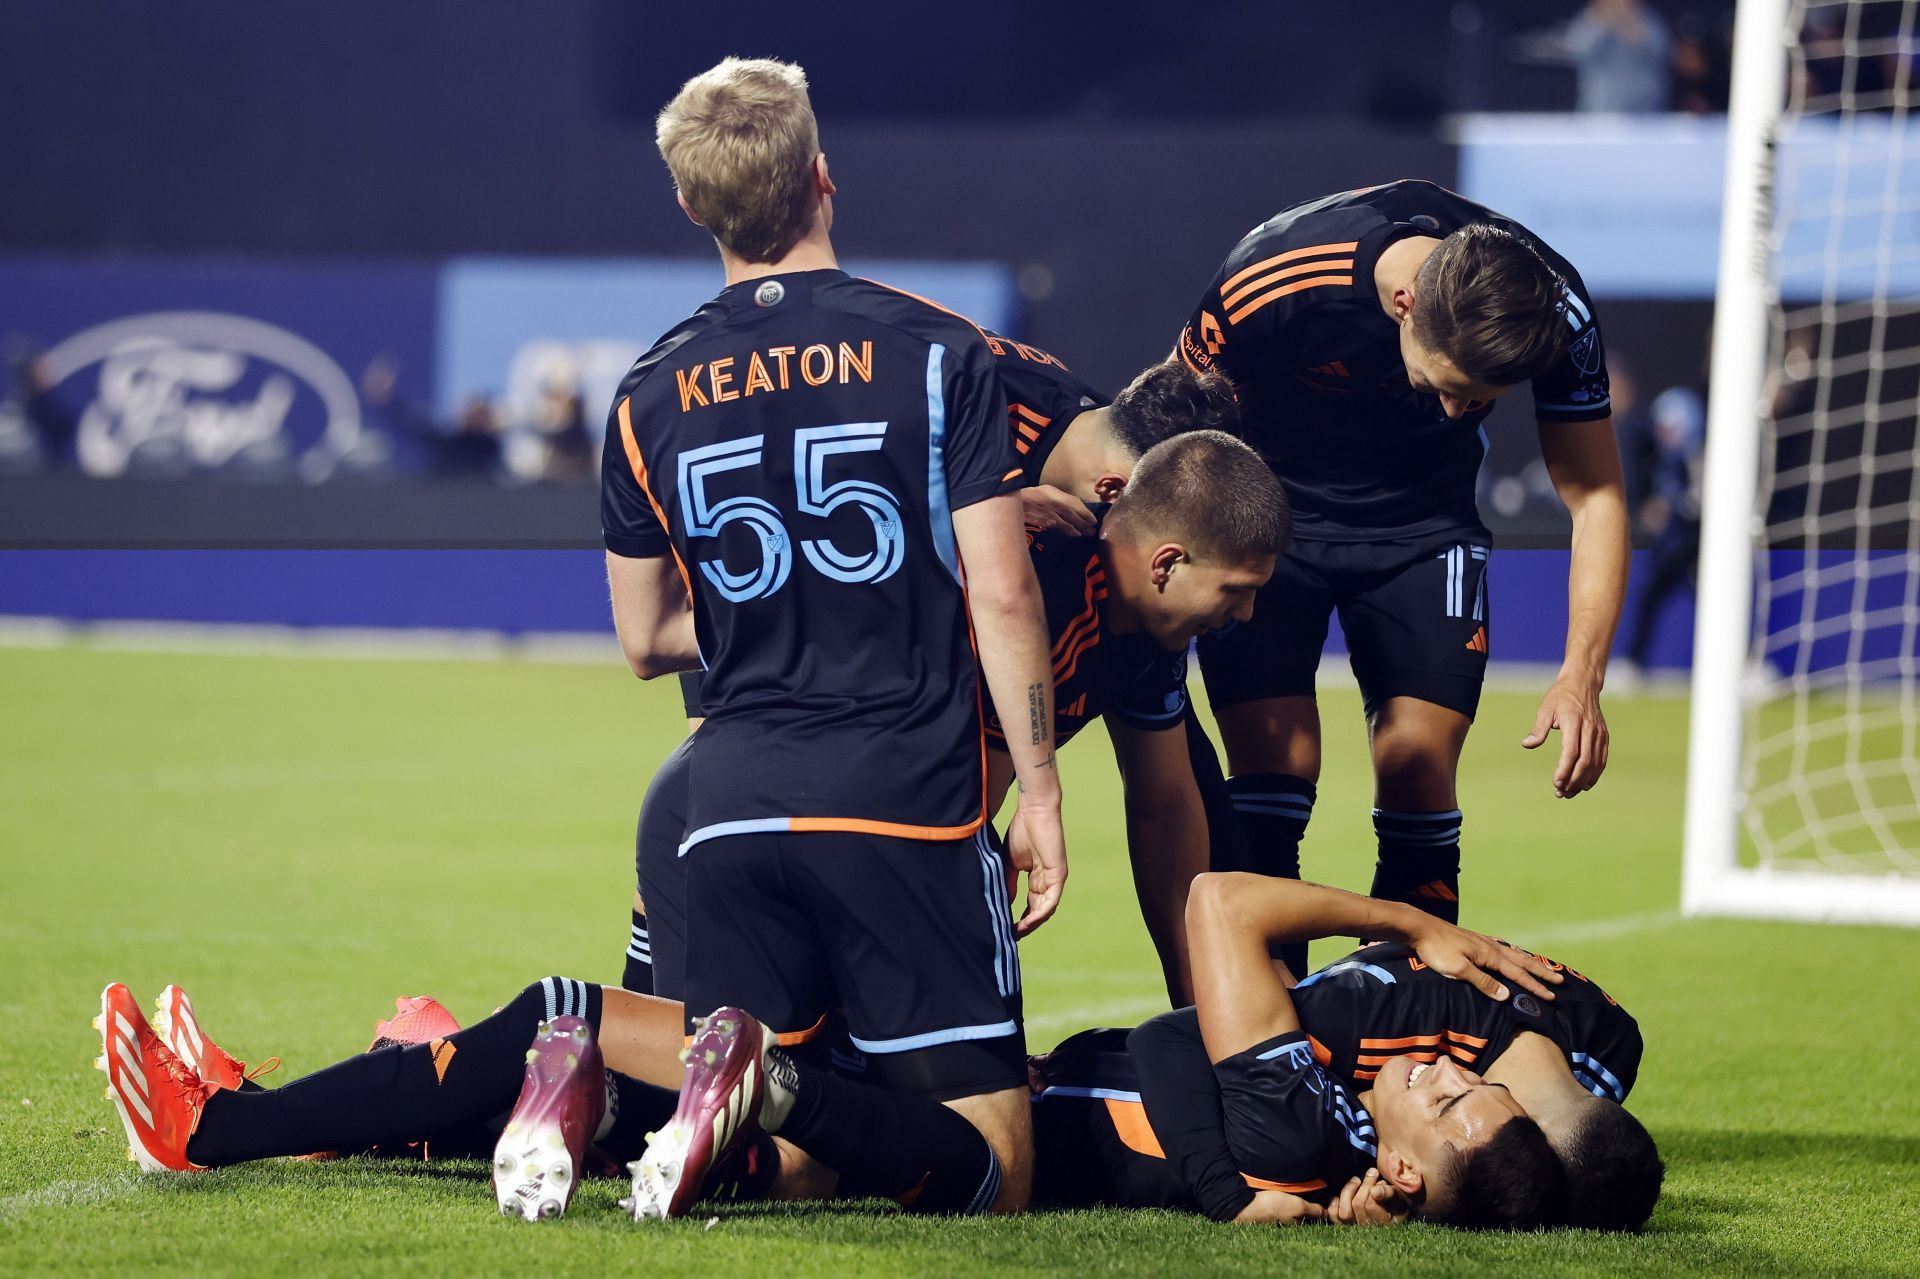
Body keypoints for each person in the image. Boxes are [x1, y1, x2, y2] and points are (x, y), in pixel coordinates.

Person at [601, 56, 1062, 1218]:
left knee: (796, 1171)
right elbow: (1003, 597)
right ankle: (770, 1084)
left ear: (691, 206)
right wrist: (1043, 794)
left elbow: (644, 635)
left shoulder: (644, 390)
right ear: (822, 178)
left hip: (731, 805)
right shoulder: (940, 351)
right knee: (996, 1166)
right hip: (901, 795)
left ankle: (747, 1102)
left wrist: (774, 591)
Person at [627, 353, 1243, 999]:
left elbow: (1158, 796)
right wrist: (978, 514)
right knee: (705, 835)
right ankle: (605, 1018)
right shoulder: (950, 391)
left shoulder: (1122, 529)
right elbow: (785, 519)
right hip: (757, 597)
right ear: (1120, 495)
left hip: (892, 685)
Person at [1175, 179, 1631, 961]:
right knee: (1273, 772)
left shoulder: (1555, 311)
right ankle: (1268, 1039)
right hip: (1269, 520)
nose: (1458, 414)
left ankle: (1403, 1029)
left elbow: (1595, 498)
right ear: (1404, 305)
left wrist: (1580, 674)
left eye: (1480, 400)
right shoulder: (1275, 277)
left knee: (1416, 764)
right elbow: (1171, 426)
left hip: (1425, 525)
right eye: (1449, 388)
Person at [1029, 874, 1662, 1231]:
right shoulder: (1353, 1131)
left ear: (1404, 1168)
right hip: (1045, 1072)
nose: (1447, 1065)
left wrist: (1231, 1201)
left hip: (1023, 1114)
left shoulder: (1302, 1133)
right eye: (1476, 1083)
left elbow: (1167, 1036)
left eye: (1448, 1101)